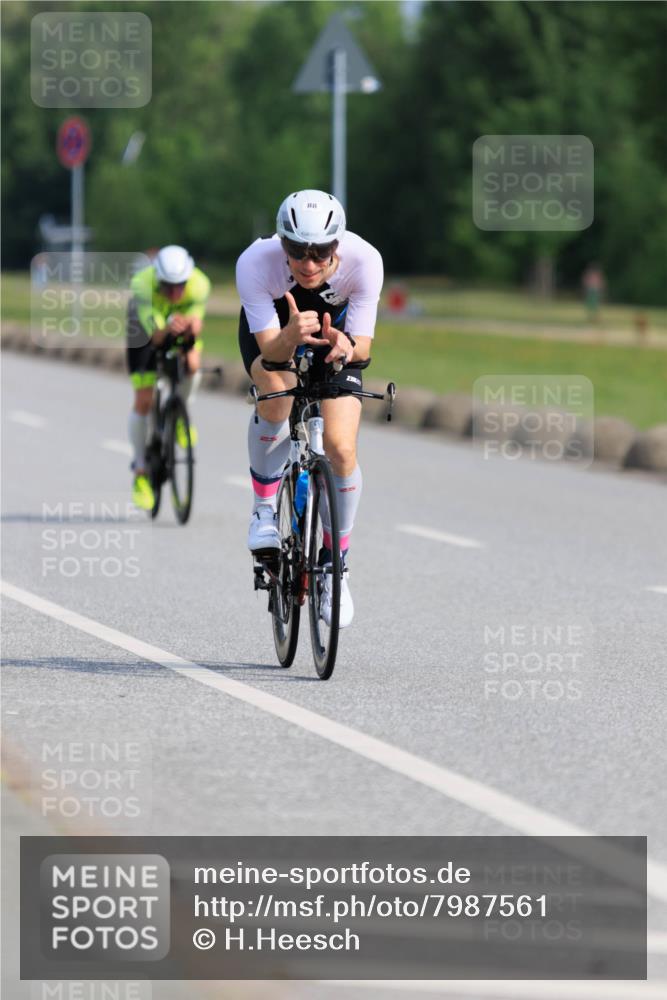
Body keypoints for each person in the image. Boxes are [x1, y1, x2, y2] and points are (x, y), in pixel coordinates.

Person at [236, 189, 384, 628]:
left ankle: (337, 567)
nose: (309, 262)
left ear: (338, 244)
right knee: (278, 394)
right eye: (298, 249)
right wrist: (289, 334)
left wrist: (345, 344)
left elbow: (363, 346)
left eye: (320, 251)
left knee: (340, 448)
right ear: (282, 243)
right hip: (278, 332)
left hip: (336, 339)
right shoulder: (255, 263)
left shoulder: (365, 261)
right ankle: (264, 510)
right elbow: (269, 352)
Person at [126, 245, 210, 510]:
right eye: (167, 287)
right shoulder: (142, 284)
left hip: (178, 326)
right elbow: (155, 335)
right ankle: (140, 470)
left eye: (179, 286)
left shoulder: (199, 284)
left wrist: (190, 330)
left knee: (193, 364)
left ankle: (180, 413)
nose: (174, 293)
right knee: (144, 399)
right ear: (157, 279)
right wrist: (169, 328)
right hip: (144, 330)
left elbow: (196, 324)